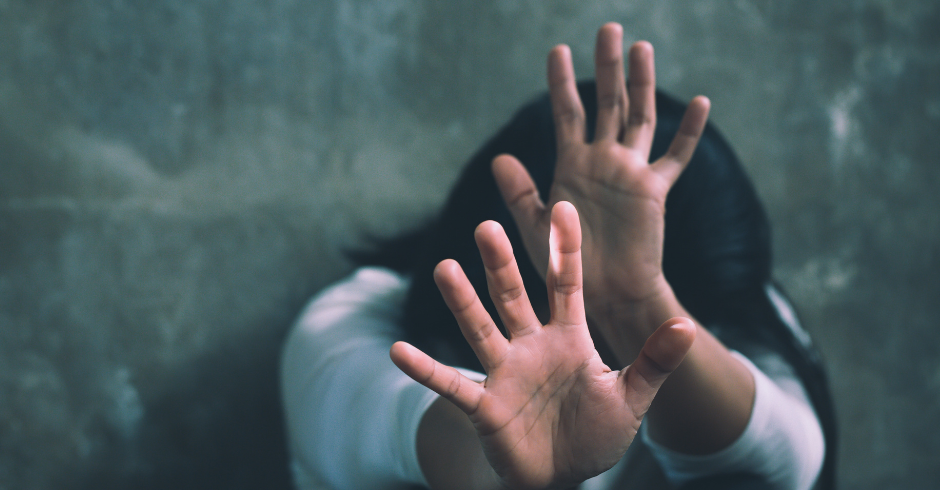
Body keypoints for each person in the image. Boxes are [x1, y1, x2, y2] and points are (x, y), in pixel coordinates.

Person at [281, 23, 836, 490]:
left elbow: (783, 463)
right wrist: (514, 466)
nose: (606, 365)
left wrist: (634, 302)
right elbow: (397, 418)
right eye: (593, 329)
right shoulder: (347, 326)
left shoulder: (734, 305)